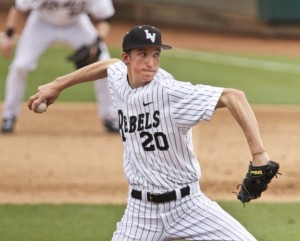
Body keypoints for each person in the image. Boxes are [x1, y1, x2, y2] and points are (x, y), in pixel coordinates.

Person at [28, 25, 274, 241]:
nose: (151, 62)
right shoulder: (119, 78)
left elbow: (234, 96)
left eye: (156, 54)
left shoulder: (170, 92)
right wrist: (58, 84)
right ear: (127, 58)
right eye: (142, 54)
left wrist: (259, 155)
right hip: (141, 213)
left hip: (189, 206)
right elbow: (109, 65)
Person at [0, 0, 119, 133]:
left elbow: (105, 18)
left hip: (76, 23)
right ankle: (9, 116)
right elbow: (18, 8)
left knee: (104, 63)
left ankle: (110, 117)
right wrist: (9, 35)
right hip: (41, 23)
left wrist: (97, 42)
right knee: (20, 66)